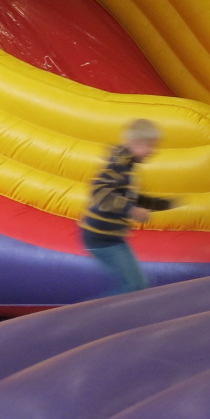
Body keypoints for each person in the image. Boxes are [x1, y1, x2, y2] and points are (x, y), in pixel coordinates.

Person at [79, 118, 178, 295]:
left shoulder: (128, 166)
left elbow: (131, 197)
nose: (153, 151)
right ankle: (90, 312)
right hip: (101, 237)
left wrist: (162, 204)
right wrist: (131, 210)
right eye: (149, 146)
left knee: (139, 284)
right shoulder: (119, 164)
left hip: (112, 237)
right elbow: (100, 193)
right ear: (136, 143)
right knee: (135, 286)